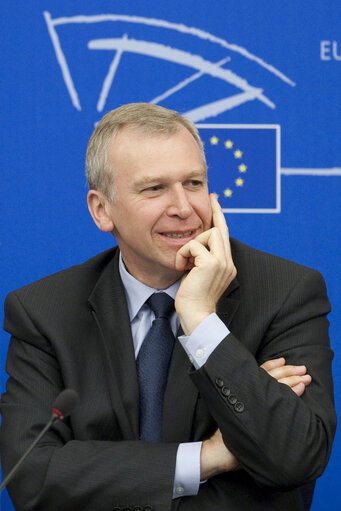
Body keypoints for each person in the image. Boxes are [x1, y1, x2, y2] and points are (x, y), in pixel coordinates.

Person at [0, 103, 336, 511]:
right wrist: (207, 458)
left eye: (193, 183)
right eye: (154, 188)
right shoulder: (43, 311)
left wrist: (201, 321)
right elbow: (31, 477)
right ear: (102, 210)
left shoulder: (286, 292)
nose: (183, 207)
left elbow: (295, 458)